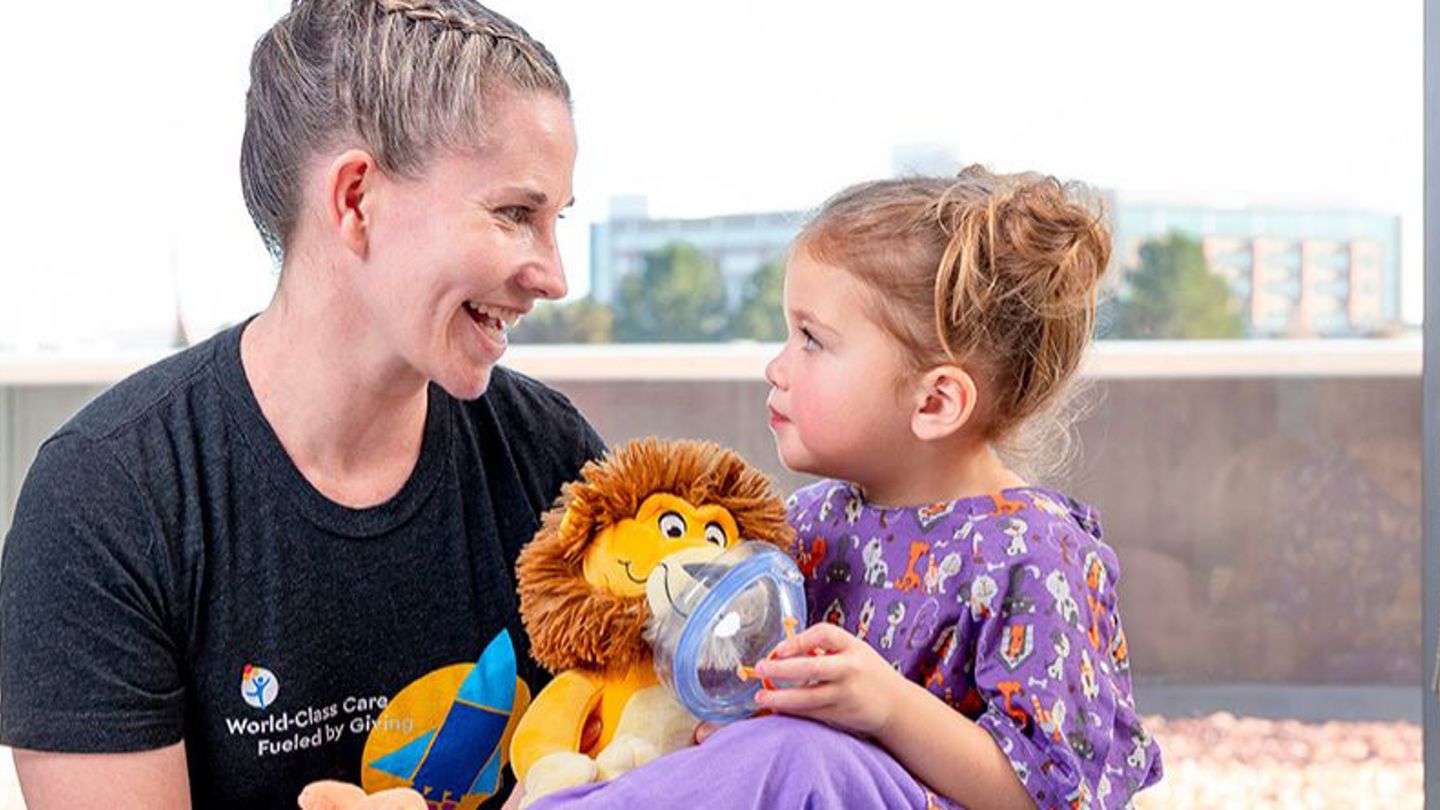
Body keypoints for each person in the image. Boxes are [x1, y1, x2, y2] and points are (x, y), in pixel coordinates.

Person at [0, 2, 601, 808]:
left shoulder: (550, 457)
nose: (554, 276)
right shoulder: (110, 502)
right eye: (516, 215)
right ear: (356, 200)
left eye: (555, 221)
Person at [524, 168, 1163, 809]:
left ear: (936, 400)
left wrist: (886, 708)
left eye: (812, 339)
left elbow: (1056, 797)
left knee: (795, 753)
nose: (777, 367)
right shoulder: (811, 524)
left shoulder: (1034, 555)